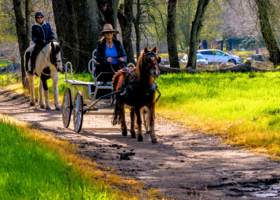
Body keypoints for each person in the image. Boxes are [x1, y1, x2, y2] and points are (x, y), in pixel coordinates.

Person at [27, 11, 55, 75]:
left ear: (43, 18)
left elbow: (52, 33)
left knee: (57, 50)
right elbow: (33, 36)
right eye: (38, 18)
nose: (40, 19)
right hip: (39, 44)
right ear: (36, 19)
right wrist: (37, 40)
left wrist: (52, 36)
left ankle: (61, 66)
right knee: (33, 53)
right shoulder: (34, 26)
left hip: (48, 43)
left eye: (41, 17)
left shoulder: (47, 25)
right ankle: (32, 68)